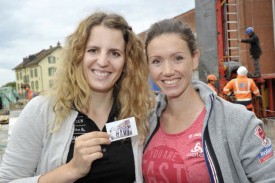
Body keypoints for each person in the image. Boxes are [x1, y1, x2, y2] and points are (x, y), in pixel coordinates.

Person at [0, 12, 153, 183]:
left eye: (115, 53)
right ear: (78, 56)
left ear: (127, 62)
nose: (103, 61)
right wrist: (71, 170)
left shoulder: (136, 113)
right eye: (93, 50)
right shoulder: (42, 111)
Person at [142, 19, 275, 182]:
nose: (167, 71)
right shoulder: (145, 123)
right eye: (156, 61)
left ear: (195, 58)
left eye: (178, 58)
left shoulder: (238, 122)